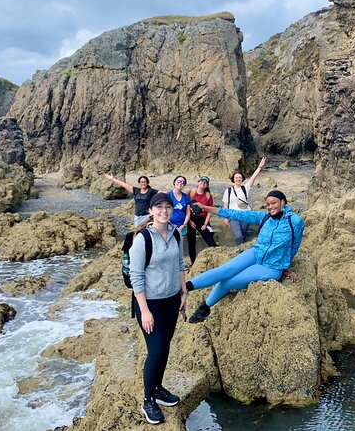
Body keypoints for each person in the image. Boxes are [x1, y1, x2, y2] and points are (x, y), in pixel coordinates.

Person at [186, 190, 304, 323]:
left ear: (282, 202)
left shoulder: (295, 221)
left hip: (271, 266)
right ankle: (185, 287)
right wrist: (206, 208)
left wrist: (285, 267)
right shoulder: (264, 217)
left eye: (274, 203)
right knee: (225, 270)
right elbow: (236, 214)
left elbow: (295, 245)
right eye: (268, 204)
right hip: (256, 253)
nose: (270, 207)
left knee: (227, 282)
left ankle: (205, 307)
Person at [129, 192, 188, 425]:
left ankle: (158, 387)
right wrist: (144, 310)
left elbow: (181, 264)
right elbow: (136, 276)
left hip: (172, 299)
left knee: (165, 348)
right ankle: (148, 399)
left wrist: (183, 292)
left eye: (168, 207)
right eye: (159, 207)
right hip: (149, 302)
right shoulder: (142, 238)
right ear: (151, 211)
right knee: (157, 349)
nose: (164, 211)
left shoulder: (176, 234)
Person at [222, 156, 267, 245]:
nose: (238, 179)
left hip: (245, 215)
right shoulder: (228, 190)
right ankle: (241, 251)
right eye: (236, 178)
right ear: (233, 179)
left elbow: (253, 178)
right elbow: (225, 205)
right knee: (238, 236)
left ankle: (241, 250)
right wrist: (225, 218)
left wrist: (260, 167)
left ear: (242, 179)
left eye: (240, 177)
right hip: (233, 215)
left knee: (242, 235)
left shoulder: (245, 188)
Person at [187, 176, 218, 264]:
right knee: (191, 243)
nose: (203, 183)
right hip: (192, 220)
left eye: (205, 183)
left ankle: (216, 258)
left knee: (210, 240)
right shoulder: (191, 193)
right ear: (198, 182)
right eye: (201, 181)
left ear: (206, 186)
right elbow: (186, 208)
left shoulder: (208, 195)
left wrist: (206, 224)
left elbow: (209, 210)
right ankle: (193, 263)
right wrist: (189, 221)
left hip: (202, 220)